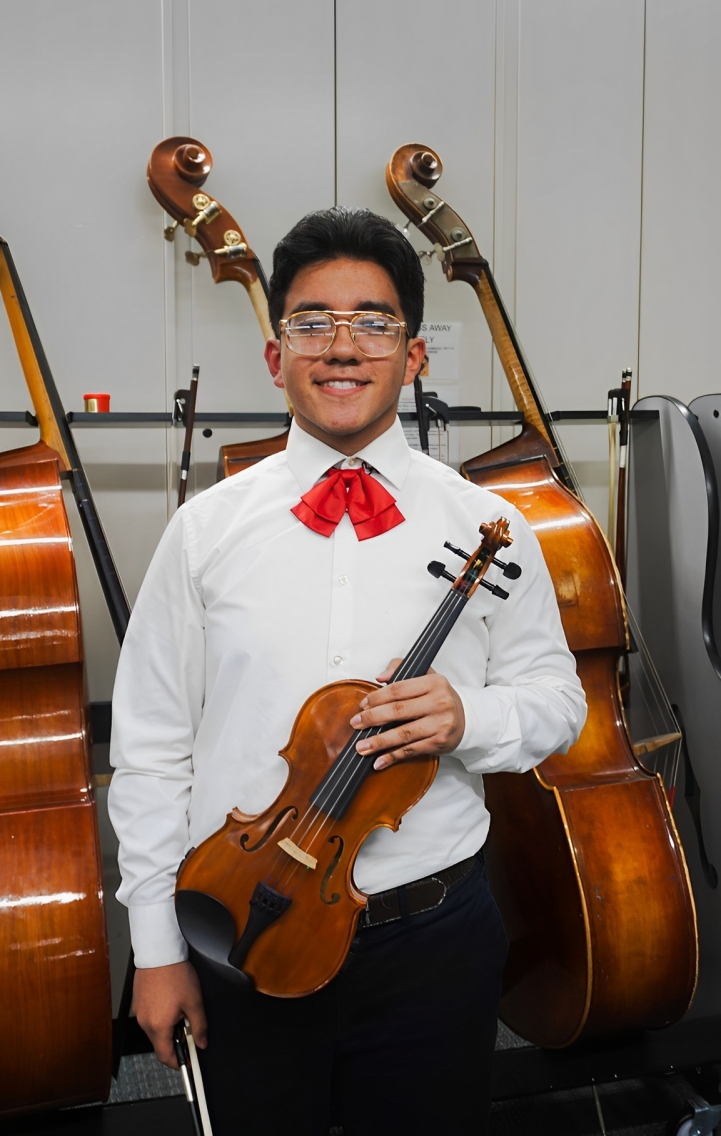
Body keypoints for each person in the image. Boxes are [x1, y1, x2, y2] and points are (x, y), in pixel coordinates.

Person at [109, 207, 586, 1136]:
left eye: (373, 322)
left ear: (412, 358)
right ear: (274, 354)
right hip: (244, 927)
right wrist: (157, 949)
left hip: (433, 932)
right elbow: (152, 749)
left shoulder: (485, 523)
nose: (341, 347)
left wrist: (467, 717)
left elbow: (556, 702)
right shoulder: (204, 533)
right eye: (310, 322)